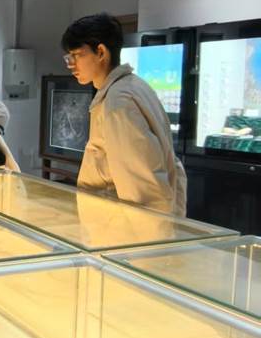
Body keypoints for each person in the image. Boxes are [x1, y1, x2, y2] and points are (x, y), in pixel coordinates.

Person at [62, 13, 187, 215]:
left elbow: (141, 190)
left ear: (101, 52)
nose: (71, 64)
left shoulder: (119, 102)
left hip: (124, 227)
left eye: (77, 55)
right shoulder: (134, 86)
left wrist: (149, 233)